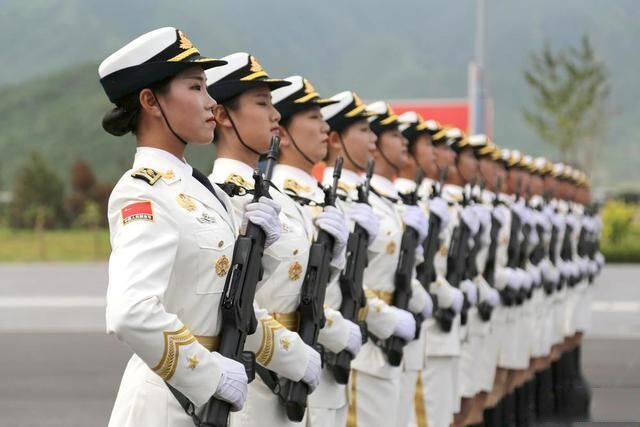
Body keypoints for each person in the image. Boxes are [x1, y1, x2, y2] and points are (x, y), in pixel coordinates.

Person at [100, 27, 280, 426]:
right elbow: (130, 313)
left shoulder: (201, 188)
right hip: (165, 404)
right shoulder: (143, 191)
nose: (211, 101)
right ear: (150, 101)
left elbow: (217, 292)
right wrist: (209, 374)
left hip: (207, 401)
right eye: (196, 87)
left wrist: (261, 253)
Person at [206, 53, 325, 426]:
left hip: (288, 378)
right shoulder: (218, 196)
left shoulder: (276, 197)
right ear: (223, 116)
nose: (275, 115)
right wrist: (293, 356)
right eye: (262, 103)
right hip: (251, 379)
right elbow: (230, 301)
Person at [270, 75, 364, 427]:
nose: (325, 127)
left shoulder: (324, 196)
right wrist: (339, 331)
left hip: (325, 368)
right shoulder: (276, 197)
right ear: (282, 133)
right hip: (285, 366)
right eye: (313, 117)